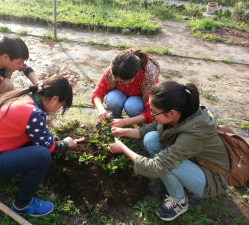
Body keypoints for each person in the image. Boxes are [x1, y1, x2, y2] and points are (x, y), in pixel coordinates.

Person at [0, 76, 77, 217]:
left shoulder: (22, 97)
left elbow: (37, 136)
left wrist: (48, 140)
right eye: (61, 105)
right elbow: (50, 148)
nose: (57, 109)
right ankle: (23, 204)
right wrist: (65, 144)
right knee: (42, 155)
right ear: (54, 98)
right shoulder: (33, 114)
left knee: (38, 143)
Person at [109, 81, 230, 221]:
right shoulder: (178, 112)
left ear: (171, 113)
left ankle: (179, 201)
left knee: (168, 164)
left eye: (154, 111)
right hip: (193, 159)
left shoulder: (194, 132)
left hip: (213, 177)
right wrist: (123, 131)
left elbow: (156, 168)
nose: (152, 114)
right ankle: (179, 180)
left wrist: (123, 148)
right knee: (150, 138)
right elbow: (149, 128)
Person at [91, 49, 160, 128]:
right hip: (120, 94)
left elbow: (151, 112)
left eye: (121, 82)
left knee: (132, 106)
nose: (118, 82)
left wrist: (126, 122)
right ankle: (116, 117)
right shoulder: (112, 71)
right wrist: (101, 109)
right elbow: (97, 94)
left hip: (138, 99)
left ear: (135, 76)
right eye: (116, 80)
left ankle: (137, 120)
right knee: (113, 100)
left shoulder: (149, 79)